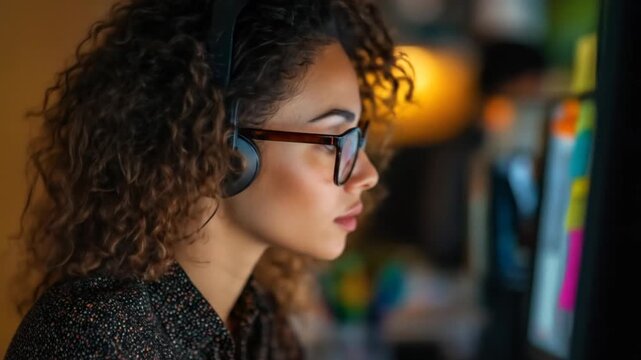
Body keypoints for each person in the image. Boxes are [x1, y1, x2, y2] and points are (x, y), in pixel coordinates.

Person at [5, 0, 413, 358]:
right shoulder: (97, 338)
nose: (368, 174)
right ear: (226, 150)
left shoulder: (258, 325)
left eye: (358, 137)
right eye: (332, 141)